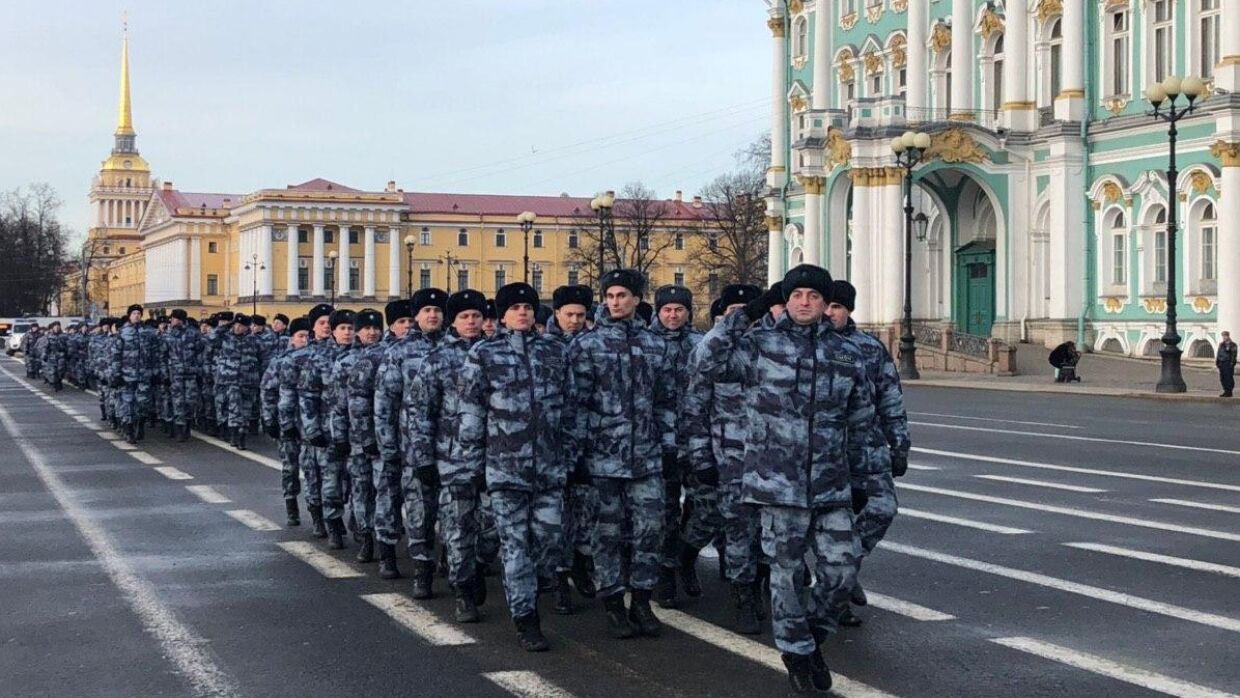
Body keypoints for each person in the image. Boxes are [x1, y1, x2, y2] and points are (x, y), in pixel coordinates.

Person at [697, 264, 872, 694]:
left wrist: (862, 474)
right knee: (787, 574)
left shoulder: (847, 352)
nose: (806, 303)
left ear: (826, 303)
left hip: (831, 484)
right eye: (797, 296)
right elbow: (706, 361)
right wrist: (746, 313)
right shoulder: (761, 344)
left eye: (815, 296)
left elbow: (861, 417)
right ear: (786, 300)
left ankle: (812, 637)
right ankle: (796, 652)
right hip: (777, 484)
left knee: (841, 571)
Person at [457, 282, 571, 651]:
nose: (522, 312)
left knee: (550, 541)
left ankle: (520, 585)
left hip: (549, 469)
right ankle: (526, 619)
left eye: (528, 306)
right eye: (514, 307)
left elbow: (569, 408)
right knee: (516, 546)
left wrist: (570, 456)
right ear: (502, 315)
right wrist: (473, 465)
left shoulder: (555, 351)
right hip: (505, 470)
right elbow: (472, 412)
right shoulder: (483, 354)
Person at [568, 268, 675, 639]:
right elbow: (577, 404)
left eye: (622, 295)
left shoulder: (655, 345)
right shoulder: (586, 345)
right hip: (602, 458)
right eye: (610, 296)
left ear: (636, 299)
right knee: (607, 533)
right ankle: (613, 600)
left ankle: (642, 601)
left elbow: (665, 401)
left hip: (646, 458)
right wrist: (577, 456)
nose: (615, 302)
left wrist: (670, 447)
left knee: (650, 529)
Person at [826, 280, 911, 627]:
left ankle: (847, 566)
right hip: (827, 451)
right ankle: (837, 597)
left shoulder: (869, 348)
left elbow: (890, 395)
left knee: (882, 510)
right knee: (835, 525)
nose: (831, 313)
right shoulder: (809, 346)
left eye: (837, 307)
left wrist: (899, 443)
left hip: (868, 447)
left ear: (848, 310)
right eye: (826, 305)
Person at [408, 289, 495, 622]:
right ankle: (464, 591)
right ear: (453, 321)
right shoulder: (438, 359)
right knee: (458, 529)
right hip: (453, 459)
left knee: (492, 528)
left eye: (477, 316)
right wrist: (423, 460)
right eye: (465, 317)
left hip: (497, 459)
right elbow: (420, 413)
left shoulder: (497, 355)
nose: (472, 322)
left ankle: (478, 566)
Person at [682, 284, 764, 635]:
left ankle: (761, 589)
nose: (739, 315)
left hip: (772, 458)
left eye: (746, 309)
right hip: (728, 457)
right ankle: (743, 596)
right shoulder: (712, 349)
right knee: (735, 529)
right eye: (733, 309)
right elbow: (695, 408)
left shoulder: (771, 345)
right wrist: (700, 458)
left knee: (767, 531)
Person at [375, 288, 446, 591]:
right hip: (411, 448)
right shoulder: (399, 352)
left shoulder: (455, 349)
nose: (433, 315)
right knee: (419, 509)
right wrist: (388, 447)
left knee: (451, 512)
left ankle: (449, 561)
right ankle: (421, 569)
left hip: (451, 448)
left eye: (438, 310)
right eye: (426, 310)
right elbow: (385, 404)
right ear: (416, 316)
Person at [647, 284, 706, 609]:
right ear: (658, 311)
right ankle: (666, 573)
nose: (673, 315)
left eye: (679, 310)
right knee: (665, 513)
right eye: (667, 309)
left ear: (688, 312)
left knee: (706, 507)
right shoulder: (645, 344)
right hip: (659, 443)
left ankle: (687, 555)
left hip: (695, 440)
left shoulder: (700, 344)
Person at [546, 284, 597, 611]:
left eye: (581, 315)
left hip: (591, 442)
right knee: (557, 516)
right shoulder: (545, 347)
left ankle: (579, 559)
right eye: (570, 315)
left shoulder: (593, 345)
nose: (575, 321)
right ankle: (559, 577)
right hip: (554, 445)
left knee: (586, 511)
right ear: (557, 314)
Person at [301, 309, 356, 549]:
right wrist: (313, 429)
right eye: (342, 328)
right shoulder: (319, 358)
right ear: (334, 332)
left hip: (357, 432)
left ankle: (358, 524)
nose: (347, 333)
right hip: (329, 430)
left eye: (351, 328)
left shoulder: (363, 357)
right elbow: (308, 396)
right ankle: (333, 523)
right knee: (331, 481)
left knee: (357, 482)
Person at [281, 303, 334, 538]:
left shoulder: (341, 353)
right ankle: (317, 516)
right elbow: (287, 393)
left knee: (334, 477)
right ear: (313, 327)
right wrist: (287, 425)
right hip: (307, 427)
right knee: (313, 474)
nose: (327, 327)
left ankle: (334, 519)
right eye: (322, 323)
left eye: (330, 322)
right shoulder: (298, 358)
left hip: (336, 427)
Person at [264, 316, 310, 527]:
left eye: (308, 337)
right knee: (290, 467)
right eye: (301, 336)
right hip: (288, 423)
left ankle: (315, 510)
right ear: (292, 338)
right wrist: (269, 419)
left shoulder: (314, 359)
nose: (305, 341)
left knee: (312, 469)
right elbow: (268, 392)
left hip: (310, 424)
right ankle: (291, 504)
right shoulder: (280, 361)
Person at [216, 314, 261, 450]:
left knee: (246, 409)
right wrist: (225, 326)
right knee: (234, 408)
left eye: (241, 326)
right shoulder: (226, 337)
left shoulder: (254, 340)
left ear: (247, 327)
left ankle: (242, 434)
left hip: (249, 379)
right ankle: (234, 435)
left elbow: (263, 357)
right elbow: (211, 339)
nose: (237, 327)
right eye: (236, 324)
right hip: (231, 380)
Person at [164, 309, 202, 442]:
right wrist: (164, 374)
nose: (172, 321)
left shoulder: (194, 334)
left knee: (191, 401)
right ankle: (180, 428)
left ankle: (188, 424)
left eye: (174, 318)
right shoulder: (168, 335)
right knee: (178, 402)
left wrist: (198, 369)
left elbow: (200, 352)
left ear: (180, 319)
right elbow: (163, 355)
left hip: (191, 373)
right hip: (175, 373)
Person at [1218, 331, 1237, 398]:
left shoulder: (1233, 345)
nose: (1224, 337)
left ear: (1228, 336)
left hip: (1228, 363)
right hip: (1222, 363)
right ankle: (1225, 391)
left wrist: (1232, 363)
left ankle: (1229, 391)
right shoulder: (1221, 344)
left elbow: (1234, 355)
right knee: (1222, 378)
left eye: (1225, 336)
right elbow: (1219, 353)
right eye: (1223, 336)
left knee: (1228, 378)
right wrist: (1217, 362)